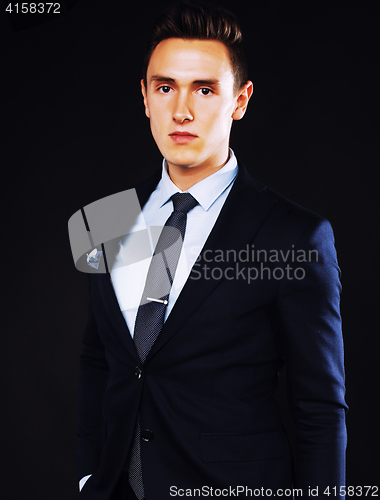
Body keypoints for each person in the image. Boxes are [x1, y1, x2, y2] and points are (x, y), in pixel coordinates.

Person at [75, 1, 347, 498]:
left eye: (204, 89)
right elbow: (100, 359)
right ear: (144, 97)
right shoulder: (104, 220)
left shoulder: (294, 235)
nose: (182, 110)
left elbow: (319, 406)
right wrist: (90, 474)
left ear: (240, 100)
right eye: (165, 88)